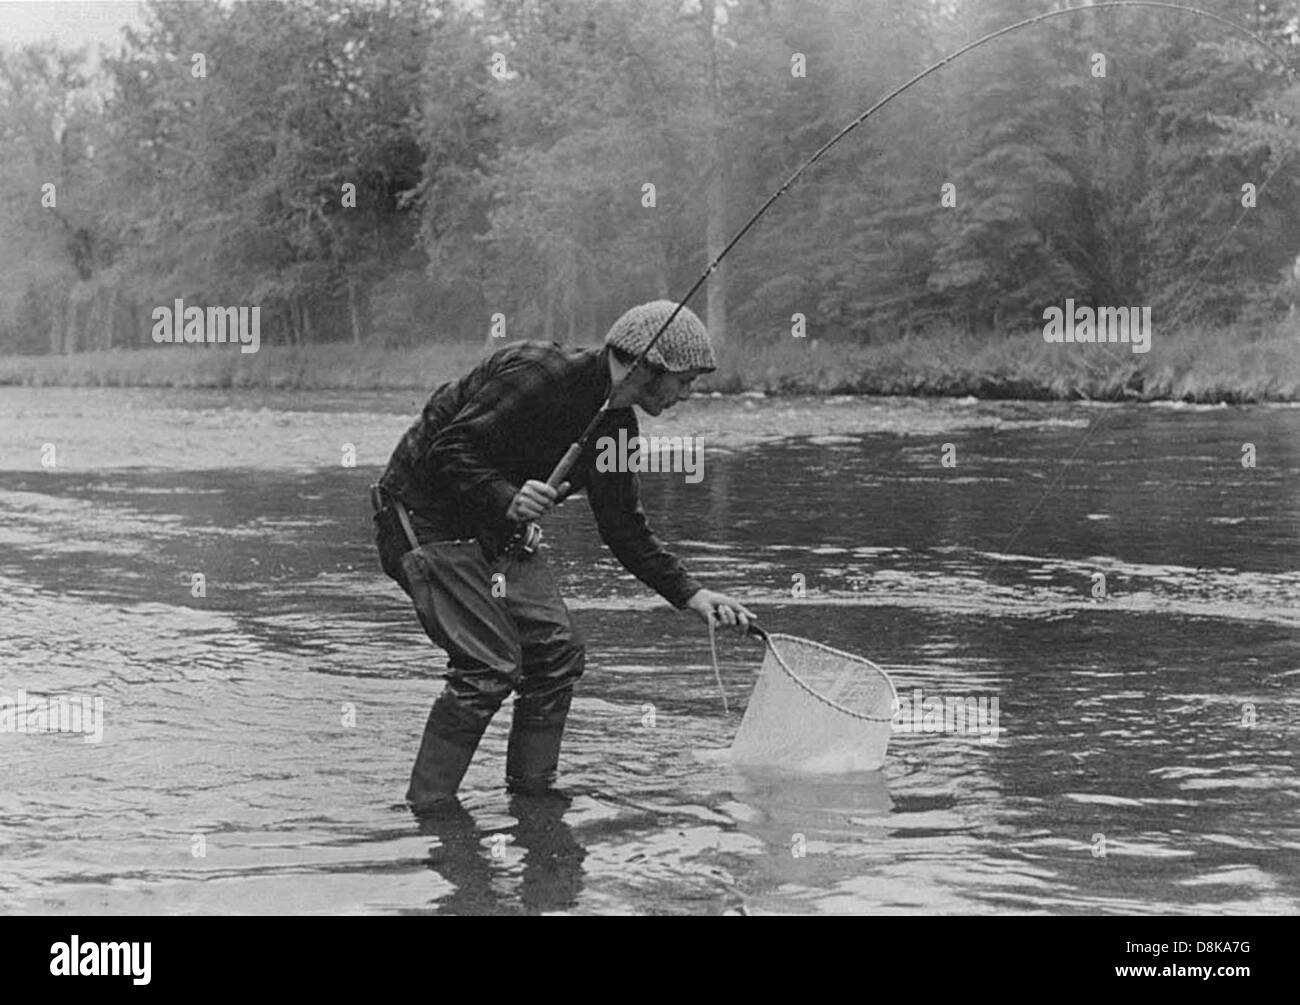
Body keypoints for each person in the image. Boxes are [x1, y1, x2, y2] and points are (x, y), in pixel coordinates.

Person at [372, 300, 755, 814]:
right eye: (685, 381)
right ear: (648, 365)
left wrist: (692, 594)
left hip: (496, 533)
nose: (689, 394)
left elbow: (623, 528)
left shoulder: (618, 432)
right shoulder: (537, 373)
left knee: (556, 654)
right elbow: (446, 451)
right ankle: (431, 810)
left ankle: (532, 801)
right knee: (490, 663)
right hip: (421, 517)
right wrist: (506, 496)